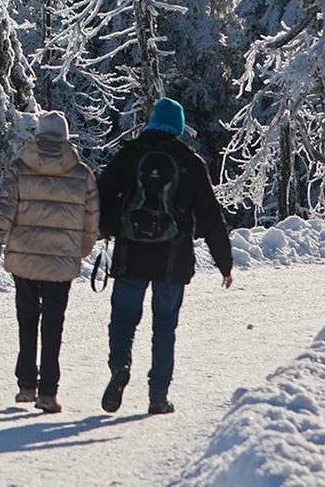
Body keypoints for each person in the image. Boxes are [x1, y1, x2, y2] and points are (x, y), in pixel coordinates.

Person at [97, 97, 235, 415]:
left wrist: (107, 228)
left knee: (122, 319)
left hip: (131, 254)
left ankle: (120, 365)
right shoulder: (190, 161)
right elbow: (211, 216)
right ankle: (158, 397)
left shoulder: (130, 154)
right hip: (173, 259)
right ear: (178, 126)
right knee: (164, 327)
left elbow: (101, 193)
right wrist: (224, 262)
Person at [0, 110, 99, 414]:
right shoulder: (82, 173)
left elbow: (3, 210)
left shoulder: (19, 169)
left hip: (25, 260)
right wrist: (81, 250)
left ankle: (25, 386)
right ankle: (48, 392)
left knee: (27, 320)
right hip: (61, 262)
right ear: (66, 136)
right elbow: (91, 219)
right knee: (53, 325)